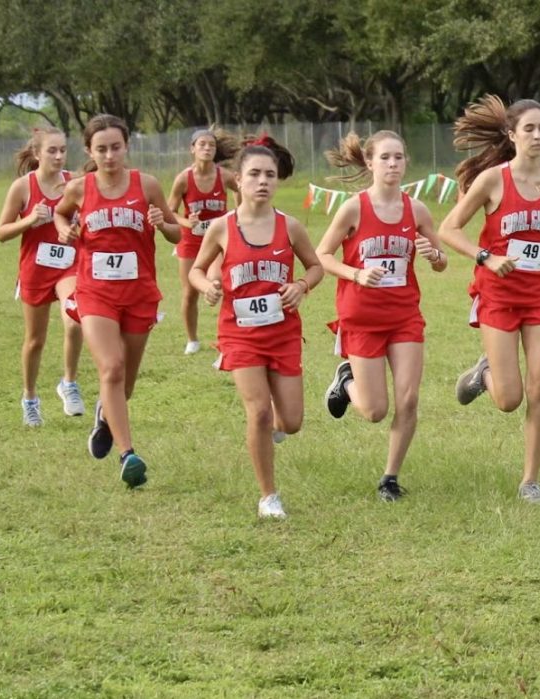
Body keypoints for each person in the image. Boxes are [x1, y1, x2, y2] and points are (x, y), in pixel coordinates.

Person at [438, 95, 540, 502]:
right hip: (498, 294)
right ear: (512, 134)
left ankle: (530, 480)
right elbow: (449, 229)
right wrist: (486, 258)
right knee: (509, 399)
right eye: (530, 128)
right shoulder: (492, 180)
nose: (538, 135)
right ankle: (483, 374)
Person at [189, 136, 323, 519]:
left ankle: (274, 432)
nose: (263, 181)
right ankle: (268, 496)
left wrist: (300, 286)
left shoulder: (290, 226)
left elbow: (316, 267)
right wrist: (208, 287)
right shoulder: (222, 228)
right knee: (259, 412)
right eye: (254, 174)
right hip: (240, 333)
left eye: (269, 174)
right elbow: (197, 270)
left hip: (282, 333)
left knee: (291, 422)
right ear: (238, 181)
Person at [317, 131, 447, 502]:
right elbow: (323, 255)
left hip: (404, 316)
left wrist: (434, 257)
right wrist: (356, 273)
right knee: (374, 410)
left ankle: (389, 478)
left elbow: (441, 263)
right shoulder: (354, 208)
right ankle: (346, 382)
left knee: (408, 400)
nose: (393, 164)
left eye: (399, 157)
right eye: (385, 158)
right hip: (361, 317)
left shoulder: (417, 210)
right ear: (370, 163)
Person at [54, 114, 181, 488]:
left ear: (126, 146)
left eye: (115, 147)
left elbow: (176, 234)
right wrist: (65, 230)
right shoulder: (80, 188)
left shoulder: (148, 185)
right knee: (111, 368)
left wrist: (162, 222)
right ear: (90, 152)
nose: (109, 156)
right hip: (95, 292)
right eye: (101, 149)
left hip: (139, 293)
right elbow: (61, 215)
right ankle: (129, 455)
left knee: (125, 384)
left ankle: (105, 413)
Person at [0, 127, 85, 426]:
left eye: (63, 150)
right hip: (35, 269)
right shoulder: (22, 187)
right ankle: (30, 398)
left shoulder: (75, 183)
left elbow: (89, 219)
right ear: (37, 154)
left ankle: (69, 383)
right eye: (52, 151)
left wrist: (77, 229)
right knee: (35, 341)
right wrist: (31, 220)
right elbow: (1, 233)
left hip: (68, 266)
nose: (59, 156)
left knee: (74, 319)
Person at [167, 128, 240, 355]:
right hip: (191, 242)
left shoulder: (224, 176)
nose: (207, 148)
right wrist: (187, 222)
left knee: (218, 281)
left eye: (211, 145)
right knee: (190, 292)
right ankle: (192, 340)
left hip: (219, 242)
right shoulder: (183, 179)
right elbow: (171, 212)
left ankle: (227, 337)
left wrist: (238, 214)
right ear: (193, 149)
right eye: (202, 144)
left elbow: (242, 191)